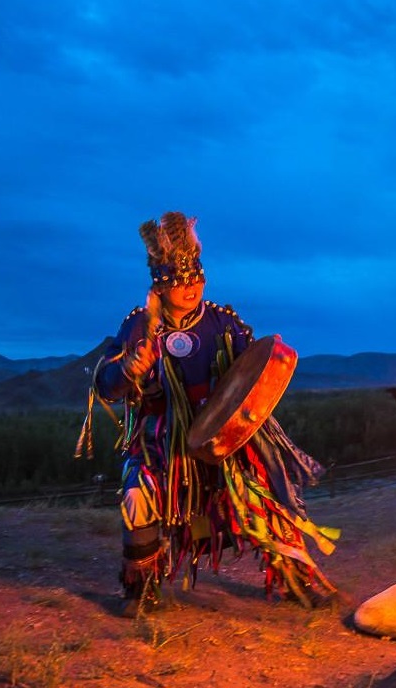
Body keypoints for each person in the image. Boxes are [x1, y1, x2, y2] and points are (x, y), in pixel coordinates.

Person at [83, 211, 336, 616]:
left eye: (196, 277)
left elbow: (252, 376)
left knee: (268, 491)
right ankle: (142, 589)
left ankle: (297, 582)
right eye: (178, 281)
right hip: (160, 441)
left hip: (227, 436)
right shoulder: (137, 326)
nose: (190, 287)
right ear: (159, 285)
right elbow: (106, 385)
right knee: (137, 493)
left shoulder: (223, 321)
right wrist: (129, 368)